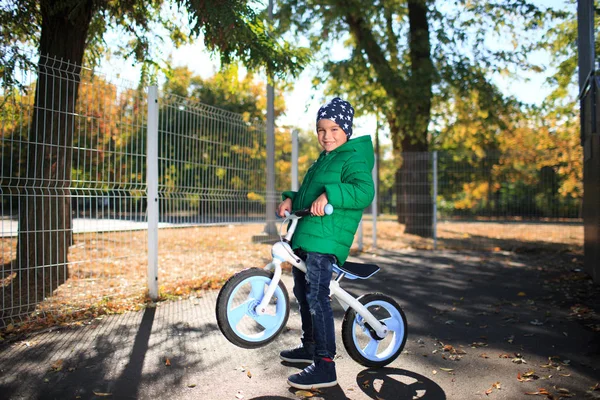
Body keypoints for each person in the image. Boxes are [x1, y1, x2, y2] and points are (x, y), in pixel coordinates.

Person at [277, 97, 375, 389]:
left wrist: (331, 195)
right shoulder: (324, 159)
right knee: (302, 291)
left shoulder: (353, 157)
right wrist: (291, 198)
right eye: (321, 130)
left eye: (334, 129)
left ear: (346, 130)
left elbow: (363, 191)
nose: (327, 136)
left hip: (328, 238)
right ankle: (309, 346)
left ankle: (325, 365)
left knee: (317, 297)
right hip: (308, 234)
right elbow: (311, 195)